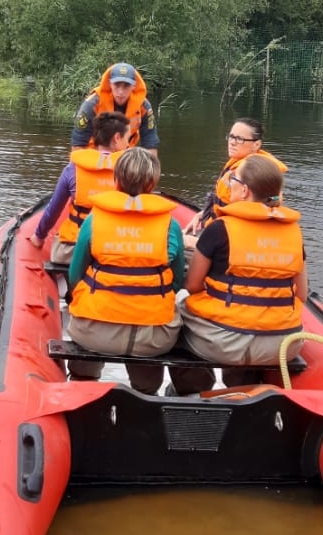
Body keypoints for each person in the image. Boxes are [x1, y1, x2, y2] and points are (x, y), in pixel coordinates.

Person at [173, 154, 307, 395]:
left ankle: (193, 390)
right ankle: (241, 387)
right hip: (284, 345)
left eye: (232, 179)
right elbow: (302, 295)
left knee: (177, 307)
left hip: (227, 344)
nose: (229, 183)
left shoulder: (220, 228)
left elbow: (193, 286)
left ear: (244, 190)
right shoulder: (293, 232)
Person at [64, 148, 185, 394]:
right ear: (152, 183)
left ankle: (83, 386)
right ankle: (146, 393)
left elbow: (75, 274)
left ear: (116, 181)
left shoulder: (94, 220)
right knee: (173, 317)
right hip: (153, 338)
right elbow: (177, 282)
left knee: (85, 308)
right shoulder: (171, 226)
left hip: (94, 332)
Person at [30, 112, 130, 264]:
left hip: (73, 249)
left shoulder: (73, 168)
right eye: (127, 139)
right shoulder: (129, 169)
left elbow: (53, 210)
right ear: (117, 138)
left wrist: (39, 237)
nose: (128, 145)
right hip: (112, 248)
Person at [186, 118, 289, 246]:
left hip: (226, 240)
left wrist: (193, 242)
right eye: (231, 136)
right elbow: (224, 205)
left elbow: (239, 231)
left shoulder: (251, 176)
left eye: (240, 139)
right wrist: (201, 215)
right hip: (217, 230)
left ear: (256, 145)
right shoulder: (238, 164)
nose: (232, 142)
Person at [70, 63, 158, 153]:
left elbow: (150, 142)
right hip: (93, 155)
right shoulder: (92, 104)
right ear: (110, 83)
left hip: (124, 156)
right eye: (117, 85)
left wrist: (153, 166)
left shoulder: (143, 106)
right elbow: (78, 142)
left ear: (134, 86)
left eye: (126, 86)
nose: (120, 92)